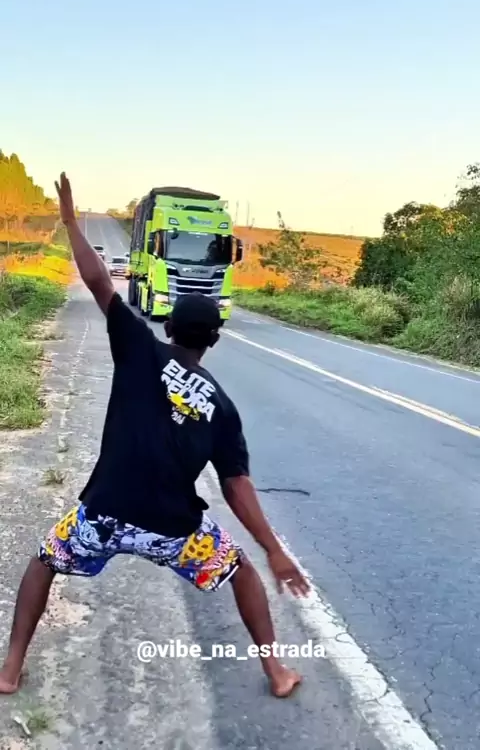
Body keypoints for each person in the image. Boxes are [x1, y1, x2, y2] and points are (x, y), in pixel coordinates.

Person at [0, 173, 309, 698]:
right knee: (243, 573)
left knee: (43, 563)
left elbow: (99, 282)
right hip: (173, 528)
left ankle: (9, 670)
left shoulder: (141, 348)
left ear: (168, 328)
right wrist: (274, 550)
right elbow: (236, 487)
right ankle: (277, 671)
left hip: (105, 512)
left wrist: (71, 222)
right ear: (214, 339)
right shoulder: (223, 408)